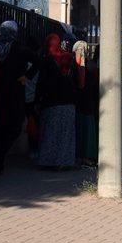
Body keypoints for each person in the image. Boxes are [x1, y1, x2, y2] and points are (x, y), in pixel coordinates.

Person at [0, 20, 39, 175]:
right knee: (13, 127)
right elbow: (38, 61)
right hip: (13, 95)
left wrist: (27, 76)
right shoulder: (19, 49)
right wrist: (26, 76)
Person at [36, 34, 78, 168]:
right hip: (69, 103)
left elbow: (41, 82)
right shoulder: (69, 58)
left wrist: (37, 100)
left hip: (52, 102)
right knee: (66, 135)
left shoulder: (47, 59)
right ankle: (64, 162)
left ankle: (47, 161)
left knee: (50, 133)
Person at [74, 41, 99, 165]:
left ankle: (84, 156)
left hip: (83, 102)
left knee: (84, 129)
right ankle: (84, 156)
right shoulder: (90, 65)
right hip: (85, 102)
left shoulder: (76, 63)